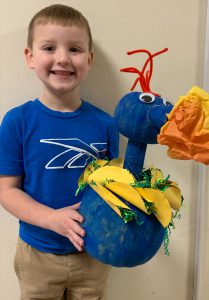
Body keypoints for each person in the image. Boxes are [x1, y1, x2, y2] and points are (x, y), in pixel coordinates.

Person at [0, 4, 119, 300]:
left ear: (89, 60)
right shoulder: (17, 121)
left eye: (75, 49)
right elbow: (6, 190)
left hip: (92, 253)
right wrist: (52, 219)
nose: (63, 58)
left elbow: (114, 190)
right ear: (30, 57)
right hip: (37, 254)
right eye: (49, 47)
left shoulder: (107, 124)